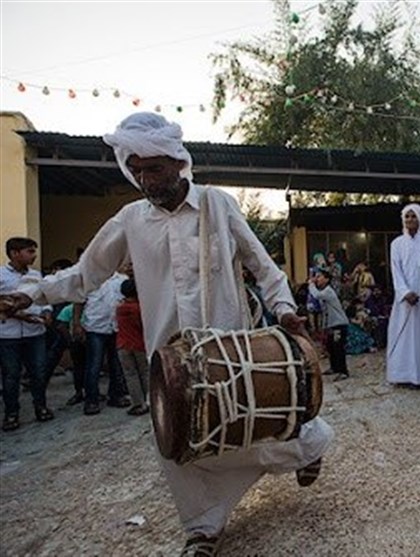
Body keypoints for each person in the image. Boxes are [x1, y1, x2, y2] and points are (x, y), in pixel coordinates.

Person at [0, 112, 333, 554]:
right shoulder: (129, 220)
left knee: (245, 432)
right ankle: (202, 528)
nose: (144, 179)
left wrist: (285, 310)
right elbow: (85, 275)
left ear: (178, 162)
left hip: (227, 349)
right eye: (135, 169)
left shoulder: (217, 204)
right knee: (175, 442)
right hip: (169, 355)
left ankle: (308, 445)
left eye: (152, 168)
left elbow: (261, 264)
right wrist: (32, 294)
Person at [0, 237, 54, 431]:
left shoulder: (35, 275)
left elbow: (44, 297)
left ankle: (41, 407)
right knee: (11, 376)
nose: (34, 255)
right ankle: (11, 414)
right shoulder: (1, 275)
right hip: (8, 335)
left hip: (35, 333)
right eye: (29, 251)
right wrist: (21, 316)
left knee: (39, 372)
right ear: (15, 253)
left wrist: (47, 312)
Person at [386, 204, 420, 387]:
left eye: (413, 216)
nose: (410, 220)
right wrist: (405, 293)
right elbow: (396, 271)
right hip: (405, 299)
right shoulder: (396, 243)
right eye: (407, 216)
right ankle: (403, 374)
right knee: (404, 336)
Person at [75, 271, 129, 415]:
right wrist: (76, 324)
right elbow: (79, 302)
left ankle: (116, 395)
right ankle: (91, 400)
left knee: (116, 364)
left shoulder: (122, 279)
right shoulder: (90, 277)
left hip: (116, 327)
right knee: (94, 365)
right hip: (95, 327)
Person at [116, 278, 149, 416]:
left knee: (130, 375)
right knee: (145, 373)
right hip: (139, 344)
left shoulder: (119, 308)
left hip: (123, 344)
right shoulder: (140, 308)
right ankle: (150, 400)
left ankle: (138, 403)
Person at [308, 269, 350, 381]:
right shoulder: (323, 291)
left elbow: (316, 295)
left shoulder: (328, 291)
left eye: (320, 276)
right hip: (331, 324)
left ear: (327, 279)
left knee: (338, 348)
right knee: (330, 347)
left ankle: (343, 371)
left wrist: (311, 284)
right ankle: (334, 367)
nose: (317, 279)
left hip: (338, 324)